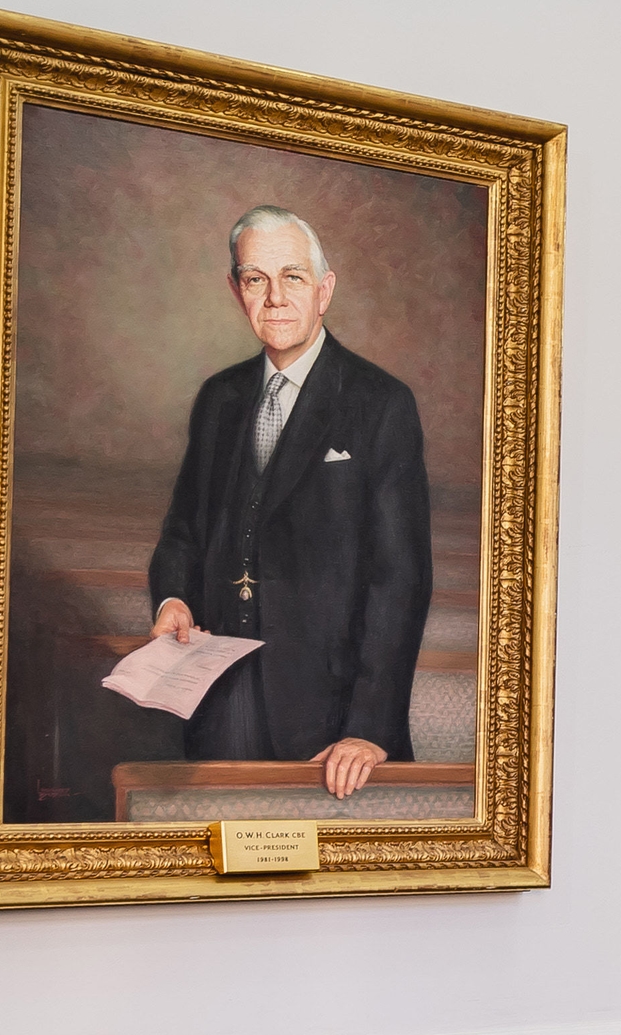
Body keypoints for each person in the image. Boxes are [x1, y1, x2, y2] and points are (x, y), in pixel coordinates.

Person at [142, 207, 431, 798]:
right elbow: (183, 532)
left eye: (293, 277)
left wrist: (369, 729)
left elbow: (400, 578)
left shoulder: (381, 403)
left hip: (330, 720)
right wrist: (173, 596)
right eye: (255, 279)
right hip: (218, 697)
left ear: (324, 291)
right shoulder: (218, 398)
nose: (274, 297)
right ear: (236, 290)